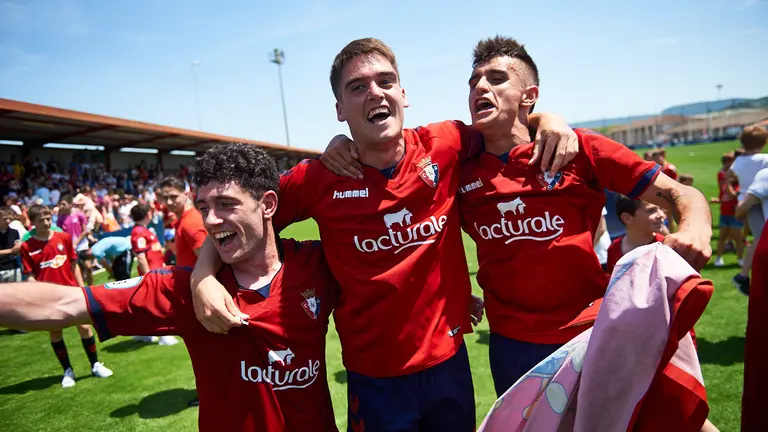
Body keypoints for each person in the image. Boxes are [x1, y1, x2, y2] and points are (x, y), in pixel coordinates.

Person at [191, 37, 578, 431]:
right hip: (375, 381)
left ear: (403, 95)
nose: (375, 92)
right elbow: (243, 216)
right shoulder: (319, 178)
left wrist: (547, 119)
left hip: (449, 365)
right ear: (340, 110)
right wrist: (202, 276)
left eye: (385, 81)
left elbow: (504, 124)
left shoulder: (444, 144)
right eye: (357, 87)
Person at [323, 36, 712, 396]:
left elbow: (682, 194)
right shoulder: (459, 167)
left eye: (496, 79)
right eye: (474, 81)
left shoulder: (578, 149)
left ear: (530, 96)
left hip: (589, 333)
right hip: (512, 346)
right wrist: (343, 142)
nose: (480, 87)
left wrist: (695, 227)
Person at [0, 144, 339, 431]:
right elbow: (64, 303)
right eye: (204, 207)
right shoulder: (180, 290)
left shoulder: (318, 265)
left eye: (226, 204)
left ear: (267, 205)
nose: (210, 220)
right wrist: (201, 276)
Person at [19, 204, 113, 387]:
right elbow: (29, 274)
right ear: (33, 223)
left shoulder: (64, 238)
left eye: (48, 219)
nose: (46, 223)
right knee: (55, 332)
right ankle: (68, 371)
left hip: (71, 292)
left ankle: (95, 364)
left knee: (85, 327)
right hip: (49, 298)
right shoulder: (26, 246)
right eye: (41, 220)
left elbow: (73, 264)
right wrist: (37, 292)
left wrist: (81, 288)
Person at [129, 203, 176, 345]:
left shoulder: (143, 230)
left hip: (157, 272)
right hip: (153, 275)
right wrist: (148, 276)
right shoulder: (138, 232)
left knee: (148, 304)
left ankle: (141, 333)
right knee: (160, 303)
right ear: (147, 214)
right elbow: (141, 257)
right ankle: (164, 336)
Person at [729, 126, 768, 294]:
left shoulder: (739, 161)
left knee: (759, 239)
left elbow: (730, 176)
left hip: (745, 200)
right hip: (758, 198)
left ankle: (743, 275)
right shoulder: (765, 159)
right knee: (762, 239)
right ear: (764, 142)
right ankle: (743, 276)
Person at [605, 196, 667, 274]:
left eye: (661, 209)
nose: (662, 215)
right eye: (651, 211)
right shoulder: (614, 249)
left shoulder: (665, 246)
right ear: (627, 218)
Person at [160, 176, 207, 267]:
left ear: (186, 194)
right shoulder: (184, 219)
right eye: (165, 198)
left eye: (173, 197)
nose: (169, 202)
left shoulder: (191, 222)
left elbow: (207, 263)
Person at [711, 152, 744, 267]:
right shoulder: (725, 180)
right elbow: (724, 196)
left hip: (734, 214)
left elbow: (732, 195)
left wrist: (728, 182)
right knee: (722, 237)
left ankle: (740, 258)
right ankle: (718, 258)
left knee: (738, 238)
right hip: (724, 213)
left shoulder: (738, 185)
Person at [0, 206, 21, 283]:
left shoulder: (14, 232)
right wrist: (11, 251)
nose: (8, 221)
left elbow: (17, 249)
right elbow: (13, 250)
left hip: (13, 268)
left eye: (10, 218)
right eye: (5, 219)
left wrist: (18, 247)